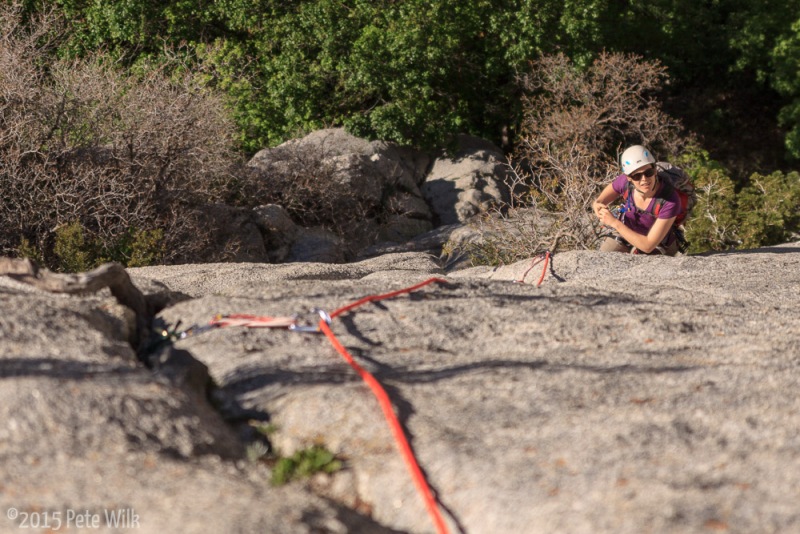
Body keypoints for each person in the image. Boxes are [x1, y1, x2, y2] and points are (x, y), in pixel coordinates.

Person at [592, 144, 680, 255]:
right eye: (637, 176)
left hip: (657, 243)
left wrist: (614, 223)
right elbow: (599, 201)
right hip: (627, 232)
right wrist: (597, 205)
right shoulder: (624, 182)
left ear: (655, 170)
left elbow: (648, 246)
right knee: (603, 257)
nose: (644, 180)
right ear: (628, 177)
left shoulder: (670, 199)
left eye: (648, 173)